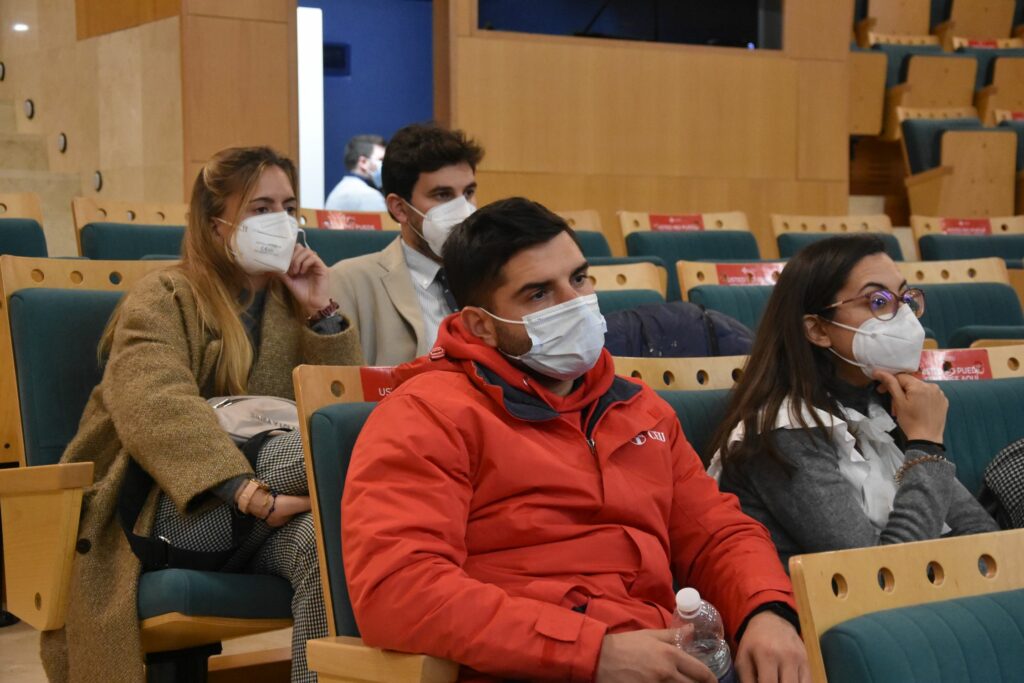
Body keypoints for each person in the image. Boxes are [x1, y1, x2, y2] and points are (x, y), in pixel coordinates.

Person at [342, 198, 809, 683]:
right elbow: (400, 591)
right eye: (539, 294)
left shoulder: (637, 407)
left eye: (580, 279)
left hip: (664, 658)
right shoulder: (427, 415)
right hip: (534, 666)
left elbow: (717, 535)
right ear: (482, 324)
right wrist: (591, 652)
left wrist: (765, 611)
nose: (575, 303)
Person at [41, 146, 363, 683]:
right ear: (217, 225)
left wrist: (321, 312)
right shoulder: (164, 296)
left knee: (319, 545)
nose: (279, 221)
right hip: (165, 506)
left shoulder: (290, 304)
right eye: (260, 208)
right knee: (317, 450)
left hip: (273, 514)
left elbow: (337, 407)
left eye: (288, 206)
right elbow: (155, 405)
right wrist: (250, 493)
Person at [709, 234, 998, 568]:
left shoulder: (880, 405)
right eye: (877, 302)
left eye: (905, 298)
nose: (904, 316)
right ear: (817, 329)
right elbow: (881, 577)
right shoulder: (783, 435)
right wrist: (926, 445)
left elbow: (983, 537)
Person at [328, 122, 483, 365]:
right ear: (400, 208)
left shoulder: (497, 276)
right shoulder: (349, 282)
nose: (463, 209)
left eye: (468, 193)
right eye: (443, 195)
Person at [324, 134, 387, 211]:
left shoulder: (336, 192)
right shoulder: (369, 195)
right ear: (363, 162)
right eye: (382, 160)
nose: (387, 164)